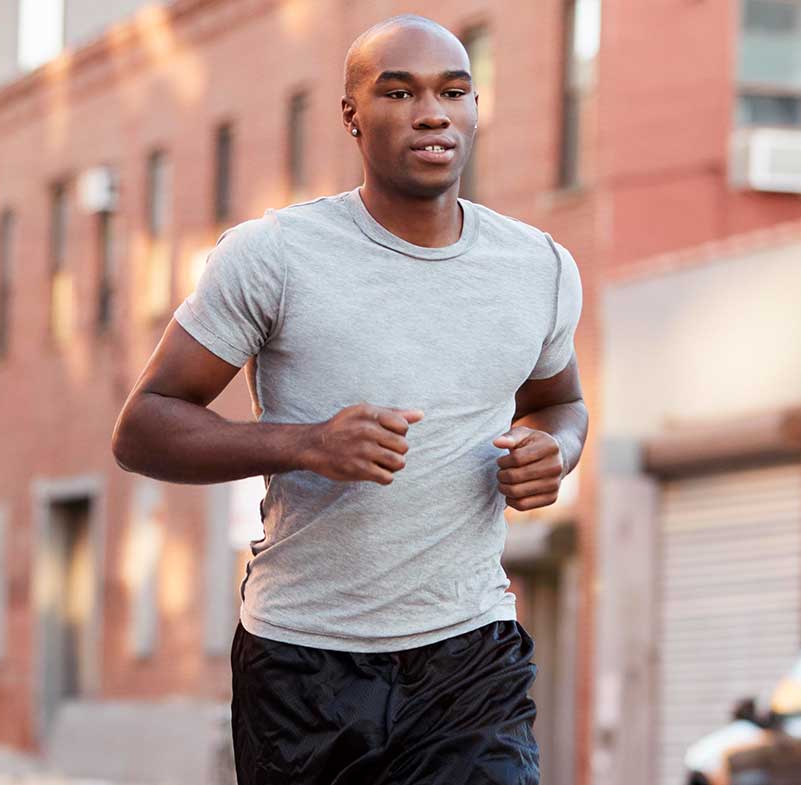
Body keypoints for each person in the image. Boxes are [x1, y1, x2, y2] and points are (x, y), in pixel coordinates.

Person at [111, 15, 587, 785]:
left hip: (470, 650)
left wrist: (555, 450)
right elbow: (143, 428)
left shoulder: (538, 266)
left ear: (473, 109)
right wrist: (305, 443)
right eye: (398, 92)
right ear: (352, 116)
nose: (431, 112)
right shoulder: (274, 256)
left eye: (453, 92)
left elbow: (560, 401)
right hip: (305, 660)